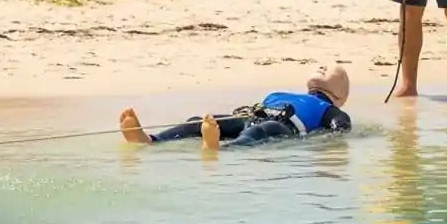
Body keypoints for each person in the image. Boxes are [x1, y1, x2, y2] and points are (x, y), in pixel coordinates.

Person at [118, 64, 352, 150]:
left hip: (283, 126)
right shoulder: (284, 93)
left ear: (340, 95)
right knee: (198, 121)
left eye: (331, 70)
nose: (322, 66)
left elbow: (340, 126)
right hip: (250, 115)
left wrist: (333, 132)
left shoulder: (326, 108)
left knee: (258, 132)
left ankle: (220, 148)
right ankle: (151, 139)